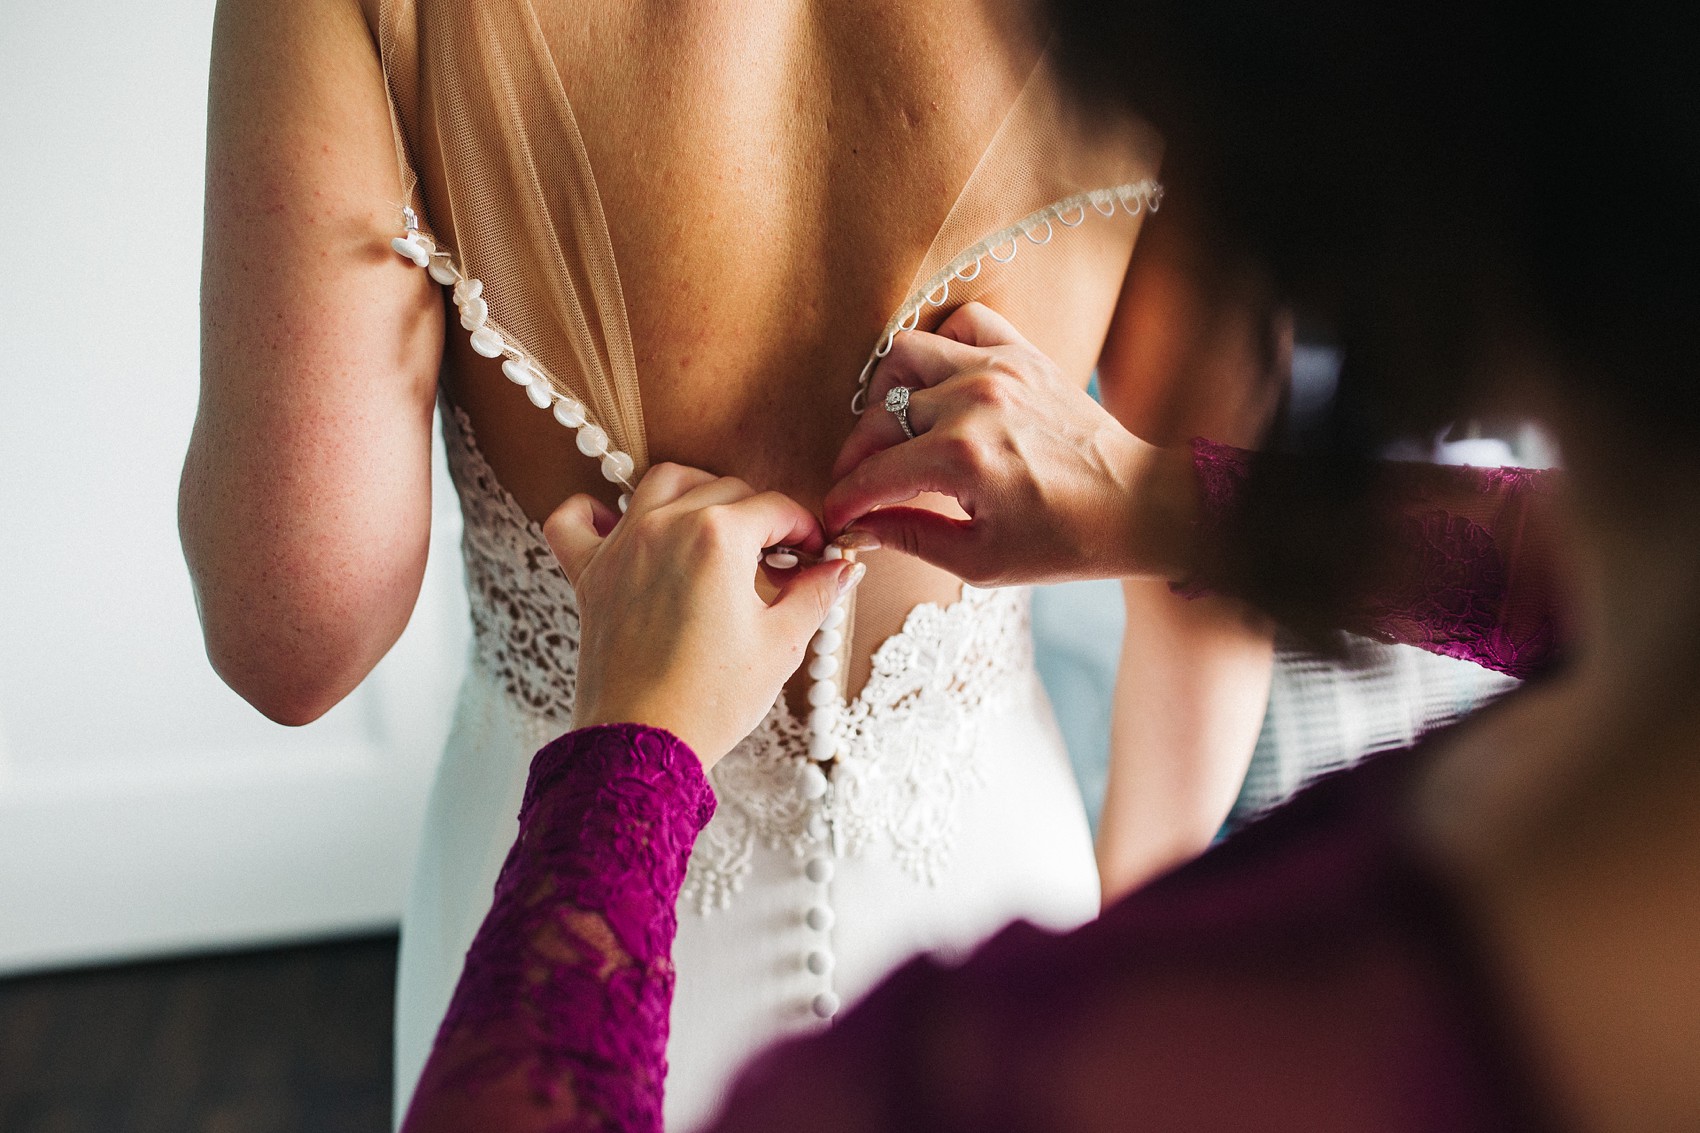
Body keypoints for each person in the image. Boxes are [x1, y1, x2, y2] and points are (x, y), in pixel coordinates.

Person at [400, 0, 1699, 1125]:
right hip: (1010, 843)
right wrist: (1162, 501)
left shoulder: (998, 1080)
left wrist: (626, 756)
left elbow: (290, 631)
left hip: (592, 883)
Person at [178, 0, 1281, 1121]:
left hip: (552, 938)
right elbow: (1226, 573)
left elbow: (295, 631)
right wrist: (1128, 943)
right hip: (993, 935)